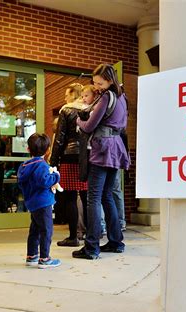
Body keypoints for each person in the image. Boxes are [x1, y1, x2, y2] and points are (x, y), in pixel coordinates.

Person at [73, 64, 130, 260]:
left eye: (100, 82)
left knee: (94, 198)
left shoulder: (106, 97)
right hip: (116, 149)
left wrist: (78, 121)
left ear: (109, 80)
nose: (96, 86)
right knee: (107, 196)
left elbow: (89, 126)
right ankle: (116, 241)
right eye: (95, 83)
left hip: (101, 149)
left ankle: (91, 247)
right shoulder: (122, 97)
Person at [50, 83, 88, 247]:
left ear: (73, 94)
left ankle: (73, 236)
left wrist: (53, 160)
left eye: (66, 94)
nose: (64, 98)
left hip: (69, 156)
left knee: (70, 198)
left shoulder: (66, 110)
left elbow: (60, 137)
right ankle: (90, 235)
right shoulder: (90, 108)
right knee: (88, 198)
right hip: (88, 156)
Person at [18, 133, 62, 269]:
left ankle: (31, 256)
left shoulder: (24, 166)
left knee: (35, 229)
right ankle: (45, 258)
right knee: (46, 230)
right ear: (48, 150)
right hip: (44, 203)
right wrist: (55, 176)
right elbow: (44, 181)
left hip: (32, 203)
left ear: (28, 149)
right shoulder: (41, 165)